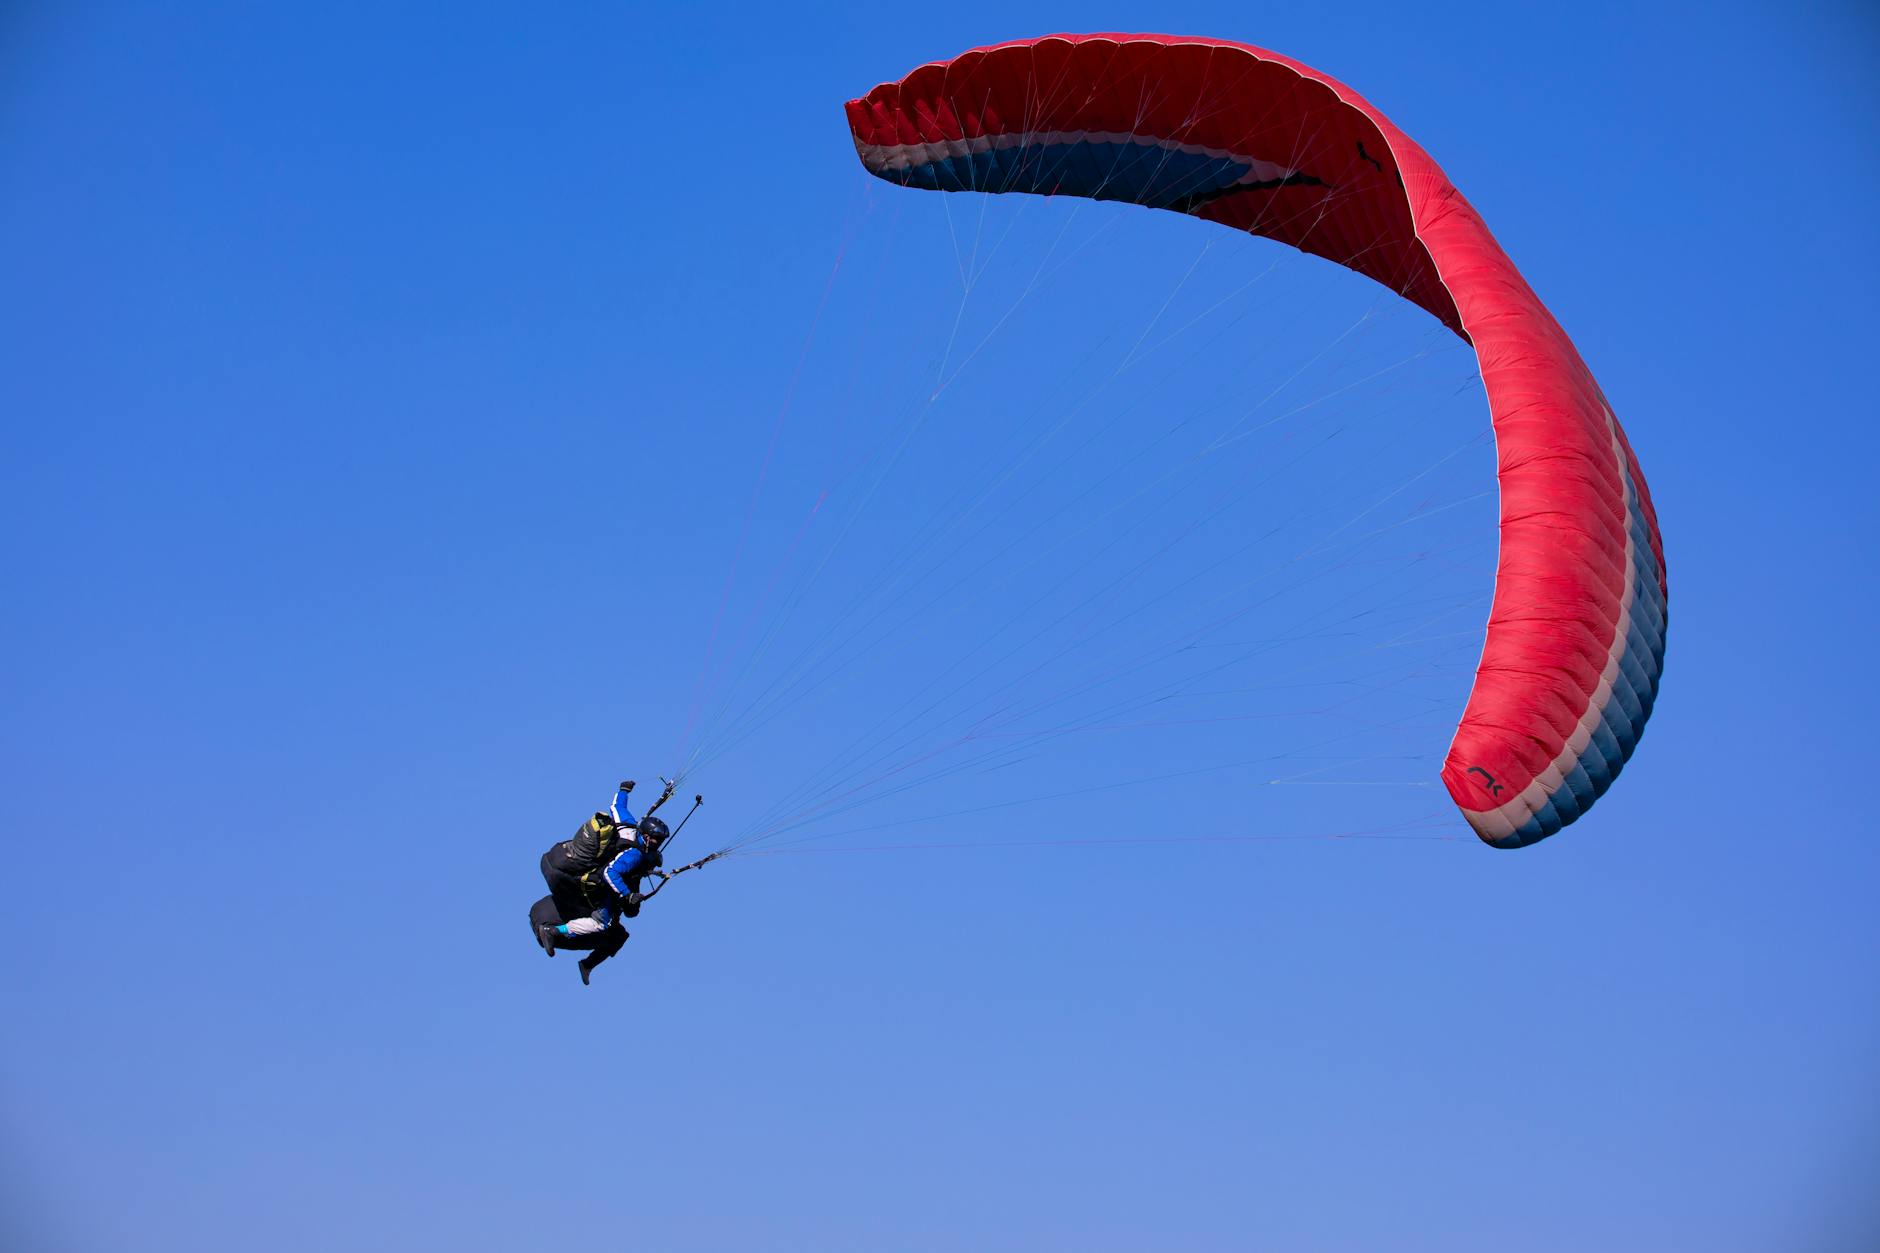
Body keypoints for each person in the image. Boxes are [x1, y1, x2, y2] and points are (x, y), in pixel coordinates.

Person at [532, 780, 670, 984]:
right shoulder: (634, 855)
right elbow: (610, 873)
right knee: (600, 923)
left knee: (618, 934)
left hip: (582, 868)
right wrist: (627, 895)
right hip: (597, 882)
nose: (658, 843)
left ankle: (586, 965)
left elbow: (617, 807)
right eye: (656, 839)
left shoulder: (628, 825)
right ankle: (553, 931)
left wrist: (623, 790)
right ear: (646, 835)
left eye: (661, 840)